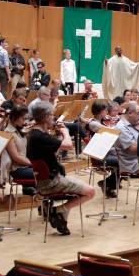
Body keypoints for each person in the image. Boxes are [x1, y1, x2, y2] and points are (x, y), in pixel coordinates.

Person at [26, 101, 95, 235]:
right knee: (90, 192)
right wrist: (65, 131)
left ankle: (60, 218)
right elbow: (68, 145)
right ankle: (59, 211)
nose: (54, 118)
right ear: (46, 117)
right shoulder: (40, 137)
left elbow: (53, 148)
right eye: (52, 115)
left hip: (47, 179)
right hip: (51, 183)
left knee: (78, 185)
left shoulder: (34, 134)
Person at [0, 105, 34, 194]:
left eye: (27, 119)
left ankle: (39, 194)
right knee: (46, 174)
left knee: (53, 169)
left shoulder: (19, 130)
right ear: (15, 118)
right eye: (23, 119)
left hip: (25, 166)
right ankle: (47, 197)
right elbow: (16, 157)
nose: (25, 121)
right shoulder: (8, 133)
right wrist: (34, 164)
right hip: (17, 170)